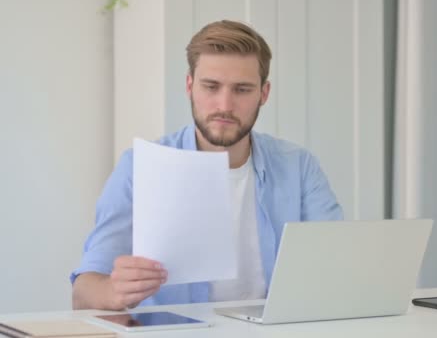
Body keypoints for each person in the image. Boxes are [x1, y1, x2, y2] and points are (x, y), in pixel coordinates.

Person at [71, 20, 343, 310]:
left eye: (242, 90)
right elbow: (82, 293)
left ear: (264, 94)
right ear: (190, 85)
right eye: (211, 86)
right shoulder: (140, 166)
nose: (224, 105)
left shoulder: (298, 167)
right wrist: (113, 291)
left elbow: (339, 266)